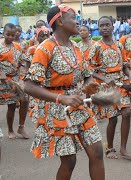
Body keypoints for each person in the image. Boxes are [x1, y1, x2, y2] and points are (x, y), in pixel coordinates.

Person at [24, 5, 105, 179]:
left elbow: (86, 75)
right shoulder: (45, 48)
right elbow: (29, 86)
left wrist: (89, 85)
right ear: (60, 21)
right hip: (56, 110)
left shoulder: (75, 48)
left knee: (97, 152)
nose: (78, 22)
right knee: (69, 161)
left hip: (78, 105)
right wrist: (61, 98)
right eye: (73, 17)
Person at [89, 16, 131, 160]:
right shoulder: (96, 46)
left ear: (112, 26)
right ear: (98, 28)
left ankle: (123, 148)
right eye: (101, 25)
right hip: (105, 86)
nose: (104, 27)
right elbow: (88, 69)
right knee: (113, 118)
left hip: (121, 83)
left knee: (127, 113)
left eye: (107, 25)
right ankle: (110, 148)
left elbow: (124, 65)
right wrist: (104, 79)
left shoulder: (119, 45)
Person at [0, 23, 30, 139]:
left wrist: (27, 71)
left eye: (12, 35)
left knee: (25, 99)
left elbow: (27, 59)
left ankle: (21, 127)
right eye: (8, 34)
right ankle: (10, 130)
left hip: (14, 79)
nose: (10, 37)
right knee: (10, 105)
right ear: (3, 33)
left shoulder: (17, 47)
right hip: (2, 80)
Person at [25, 26, 50, 122]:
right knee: (37, 108)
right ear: (37, 37)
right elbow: (27, 65)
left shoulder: (53, 48)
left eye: (46, 36)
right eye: (42, 36)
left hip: (47, 82)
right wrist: (28, 78)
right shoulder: (32, 49)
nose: (44, 38)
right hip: (36, 82)